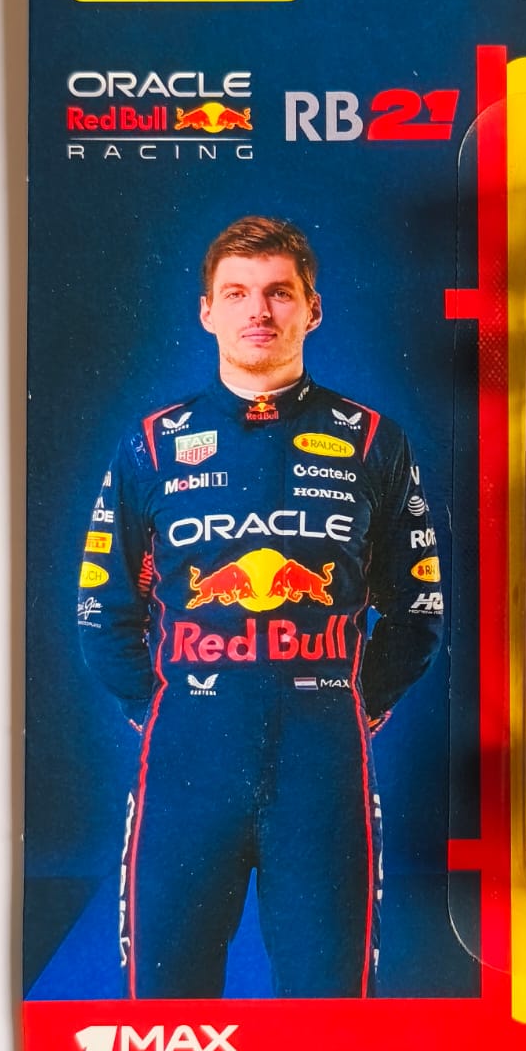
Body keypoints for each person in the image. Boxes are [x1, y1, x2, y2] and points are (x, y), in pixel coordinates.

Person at [77, 216, 444, 1000]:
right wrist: (161, 709)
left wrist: (352, 704)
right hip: (187, 767)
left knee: (329, 1008)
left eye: (279, 292)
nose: (259, 311)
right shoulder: (152, 445)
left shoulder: (374, 441)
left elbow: (418, 610)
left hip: (323, 771)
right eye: (238, 292)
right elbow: (102, 610)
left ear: (313, 310)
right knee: (166, 1011)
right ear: (206, 311)